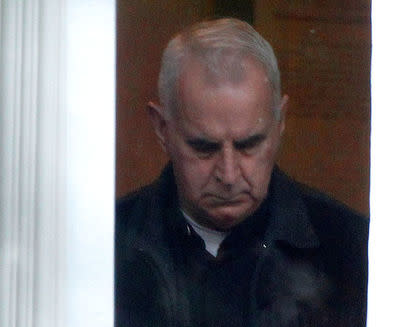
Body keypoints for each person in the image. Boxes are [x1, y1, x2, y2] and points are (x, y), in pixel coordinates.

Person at [115, 18, 369, 327]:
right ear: (162, 129)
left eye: (249, 145)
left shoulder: (353, 252)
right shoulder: (106, 245)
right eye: (204, 148)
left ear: (281, 123)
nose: (229, 174)